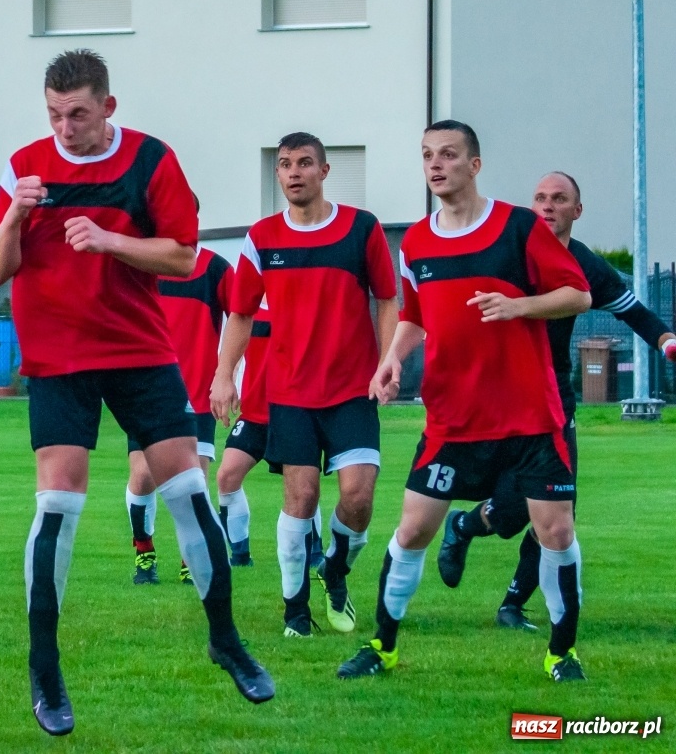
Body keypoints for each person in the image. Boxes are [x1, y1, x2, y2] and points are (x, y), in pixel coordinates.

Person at [0, 49, 273, 736]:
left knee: (186, 486)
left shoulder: (150, 161)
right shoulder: (28, 162)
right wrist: (13, 219)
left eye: (78, 113)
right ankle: (44, 665)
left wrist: (112, 241)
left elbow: (182, 253)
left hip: (140, 349)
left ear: (108, 107)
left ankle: (225, 637)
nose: (65, 126)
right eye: (55, 113)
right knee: (58, 498)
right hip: (57, 356)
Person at [340, 121, 590, 683]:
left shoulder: (519, 227)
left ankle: (561, 651)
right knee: (411, 532)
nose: (436, 165)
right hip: (453, 420)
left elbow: (578, 292)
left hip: (530, 417)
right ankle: (382, 647)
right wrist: (392, 359)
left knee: (557, 533)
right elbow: (415, 315)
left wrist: (519, 306)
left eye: (448, 155)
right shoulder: (419, 243)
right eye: (427, 155)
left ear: (474, 165)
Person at [436, 170, 676, 628]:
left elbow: (635, 312)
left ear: (576, 211)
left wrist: (667, 342)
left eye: (559, 199)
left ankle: (512, 604)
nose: (547, 206)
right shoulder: (509, 251)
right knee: (513, 504)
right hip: (496, 391)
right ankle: (465, 525)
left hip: (552, 393)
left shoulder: (586, 265)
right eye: (540, 198)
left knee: (560, 507)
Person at [210, 133, 398, 638]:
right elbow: (241, 312)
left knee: (358, 497)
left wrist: (387, 362)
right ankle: (295, 607)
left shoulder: (362, 229)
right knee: (302, 497)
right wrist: (224, 374)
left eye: (305, 164)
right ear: (278, 175)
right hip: (289, 394)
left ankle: (335, 570)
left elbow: (387, 298)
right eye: (286, 165)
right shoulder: (263, 236)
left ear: (324, 171)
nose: (294, 173)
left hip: (351, 391)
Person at [123, 242, 233, 586]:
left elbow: (244, 316)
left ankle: (190, 561)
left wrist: (226, 375)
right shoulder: (139, 262)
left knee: (193, 484)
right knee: (142, 477)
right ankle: (144, 552)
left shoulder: (215, 269)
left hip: (198, 394)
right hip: (147, 390)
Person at [215, 301, 275, 568]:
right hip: (254, 414)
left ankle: (314, 551)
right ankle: (240, 556)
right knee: (227, 475)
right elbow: (235, 350)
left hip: (291, 413)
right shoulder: (249, 309)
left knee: (300, 485)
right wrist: (229, 380)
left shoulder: (298, 302)